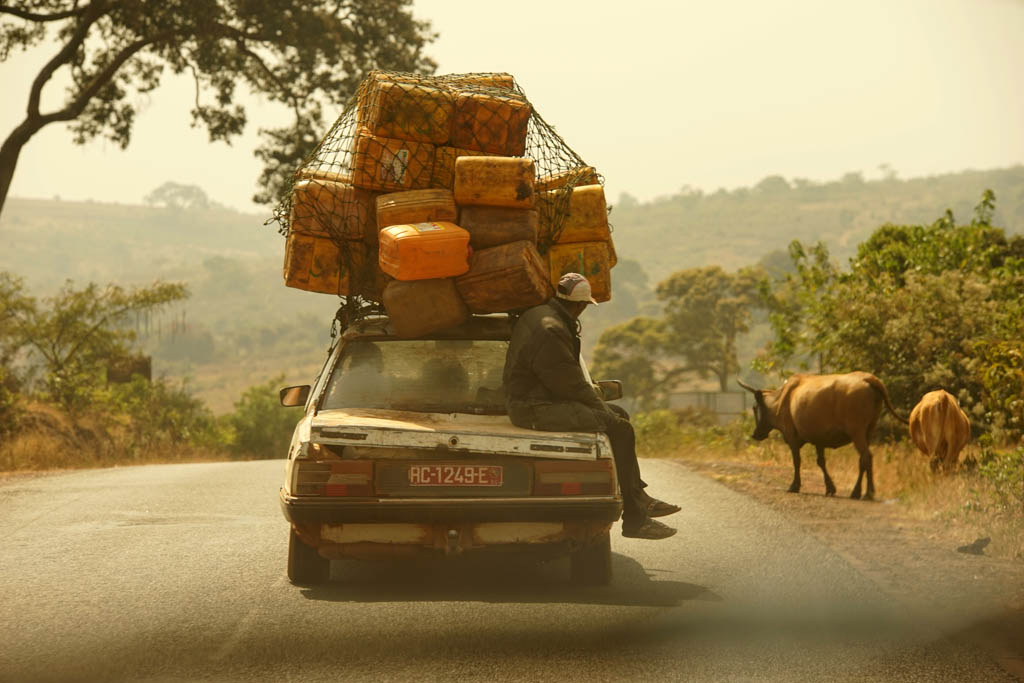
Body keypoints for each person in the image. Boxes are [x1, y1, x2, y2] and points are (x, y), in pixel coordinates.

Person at [503, 272, 680, 539]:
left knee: (618, 416)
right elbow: (570, 384)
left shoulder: (539, 314)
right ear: (581, 305)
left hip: (535, 399)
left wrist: (604, 410)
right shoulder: (552, 331)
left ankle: (638, 496)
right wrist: (601, 407)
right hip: (535, 408)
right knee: (620, 428)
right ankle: (635, 518)